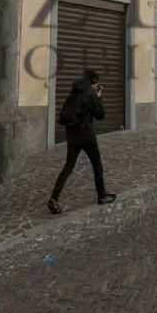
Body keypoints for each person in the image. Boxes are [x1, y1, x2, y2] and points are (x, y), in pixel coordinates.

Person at [47, 70, 115, 214]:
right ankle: (102, 195)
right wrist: (98, 96)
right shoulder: (90, 95)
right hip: (86, 136)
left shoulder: (74, 93)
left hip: (72, 136)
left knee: (68, 166)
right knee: (97, 164)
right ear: (94, 82)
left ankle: (53, 198)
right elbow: (100, 114)